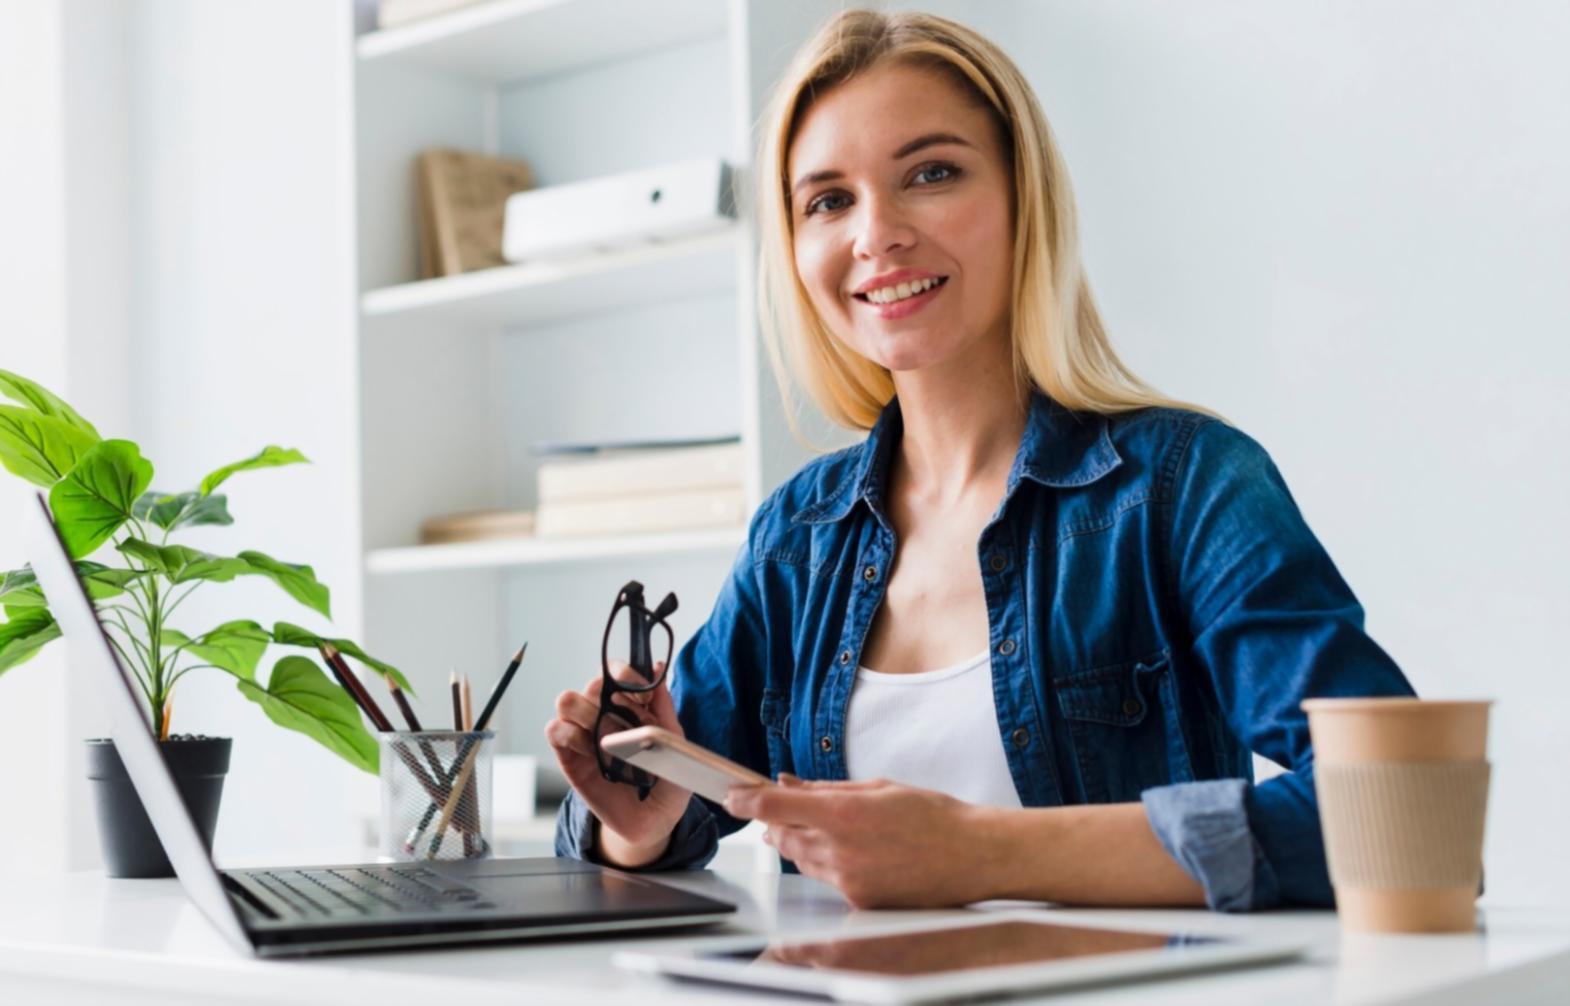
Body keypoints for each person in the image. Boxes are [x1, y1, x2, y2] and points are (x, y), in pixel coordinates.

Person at [545, 8, 1414, 912]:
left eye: (931, 174)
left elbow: (1402, 811)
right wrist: (638, 828)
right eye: (828, 201)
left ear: (1022, 198)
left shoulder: (1186, 487)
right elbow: (655, 821)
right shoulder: (796, 539)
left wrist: (982, 853)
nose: (876, 233)